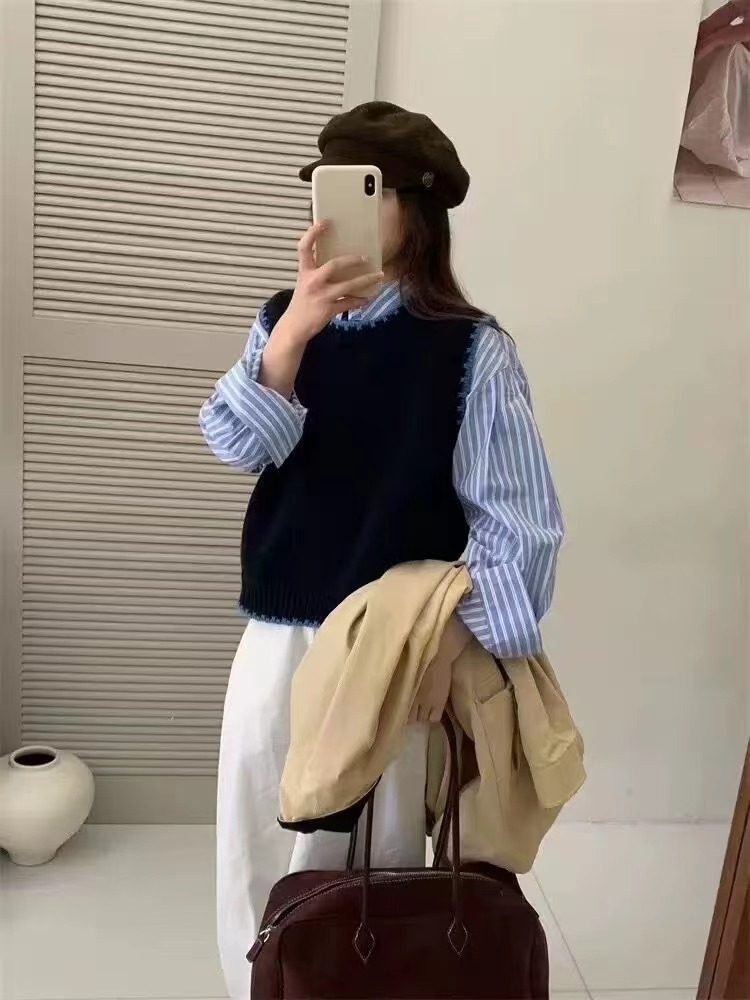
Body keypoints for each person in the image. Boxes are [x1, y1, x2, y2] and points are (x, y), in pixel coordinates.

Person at [199, 101, 563, 1000]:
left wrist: (450, 642)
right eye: (322, 187)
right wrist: (294, 334)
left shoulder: (471, 350)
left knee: (375, 869)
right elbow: (238, 444)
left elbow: (522, 526)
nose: (329, 210)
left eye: (363, 190)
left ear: (418, 209)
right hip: (280, 636)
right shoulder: (284, 322)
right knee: (256, 848)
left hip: (394, 652)